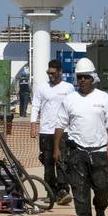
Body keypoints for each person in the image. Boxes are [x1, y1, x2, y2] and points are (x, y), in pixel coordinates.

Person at [53, 57, 108, 216]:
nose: (82, 80)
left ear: (93, 78)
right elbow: (60, 125)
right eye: (79, 77)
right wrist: (56, 148)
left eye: (86, 77)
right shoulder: (70, 99)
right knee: (79, 188)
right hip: (77, 152)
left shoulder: (104, 98)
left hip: (98, 152)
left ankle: (100, 210)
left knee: (101, 188)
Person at [30, 59, 74, 205]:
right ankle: (51, 191)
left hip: (63, 132)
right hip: (46, 132)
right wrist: (33, 125)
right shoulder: (41, 88)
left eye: (53, 73)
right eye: (48, 73)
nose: (50, 76)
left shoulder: (68, 88)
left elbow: (73, 109)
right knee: (48, 164)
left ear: (60, 72)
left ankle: (63, 191)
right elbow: (35, 106)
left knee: (62, 162)